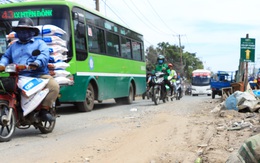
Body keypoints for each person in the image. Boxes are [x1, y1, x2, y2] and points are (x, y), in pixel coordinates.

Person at [0, 17, 59, 122]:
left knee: (54, 86)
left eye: (26, 30)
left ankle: (44, 110)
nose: (23, 33)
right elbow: (6, 57)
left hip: (38, 75)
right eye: (20, 30)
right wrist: (2, 64)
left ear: (32, 32)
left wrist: (36, 63)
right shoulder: (13, 46)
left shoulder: (39, 43)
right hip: (17, 76)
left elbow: (44, 55)